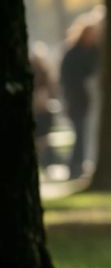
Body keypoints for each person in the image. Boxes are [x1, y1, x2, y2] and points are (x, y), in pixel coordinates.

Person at [60, 7, 104, 179]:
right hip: (77, 100)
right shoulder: (72, 53)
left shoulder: (95, 53)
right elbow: (68, 79)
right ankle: (74, 167)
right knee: (80, 133)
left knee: (85, 134)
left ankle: (80, 165)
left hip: (91, 99)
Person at [30, 42, 60, 171]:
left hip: (43, 109)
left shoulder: (44, 73)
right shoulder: (39, 73)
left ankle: (45, 161)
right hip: (39, 109)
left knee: (43, 137)